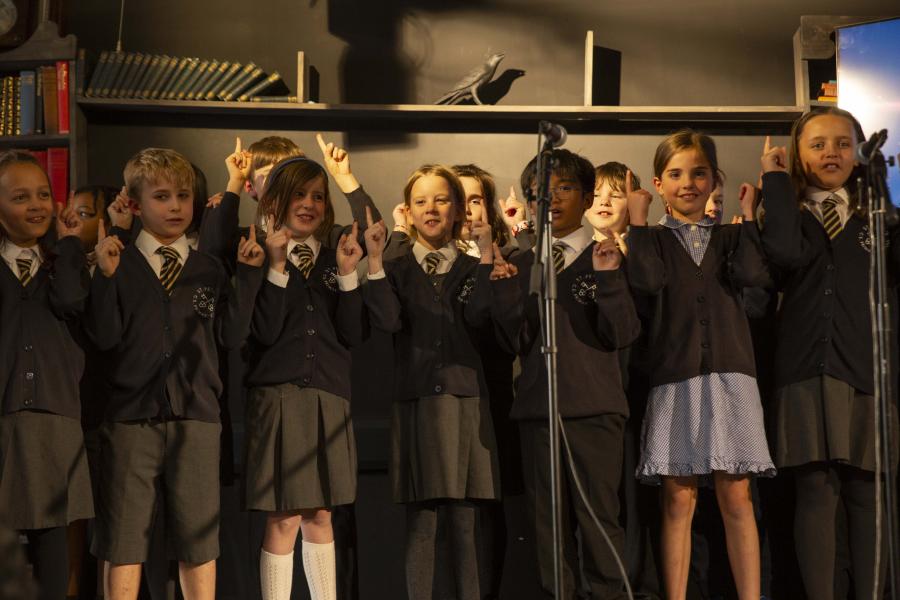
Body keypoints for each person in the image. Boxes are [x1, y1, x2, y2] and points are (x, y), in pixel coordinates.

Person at [87, 147, 264, 600]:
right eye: (161, 197)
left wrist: (246, 277)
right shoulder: (118, 260)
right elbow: (104, 337)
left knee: (198, 539)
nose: (175, 207)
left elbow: (230, 337)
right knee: (124, 539)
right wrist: (105, 278)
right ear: (134, 204)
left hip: (197, 417)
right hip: (131, 419)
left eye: (183, 196)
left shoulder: (208, 268)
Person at [626, 129, 774, 600]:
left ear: (715, 180)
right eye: (675, 174)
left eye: (698, 173)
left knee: (736, 495)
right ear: (659, 182)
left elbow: (755, 277)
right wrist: (636, 218)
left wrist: (749, 219)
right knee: (678, 498)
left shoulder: (731, 237)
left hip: (732, 378)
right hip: (675, 379)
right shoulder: (652, 239)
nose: (687, 182)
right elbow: (646, 282)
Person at [759, 107, 900, 600]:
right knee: (816, 490)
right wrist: (774, 182)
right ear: (797, 155)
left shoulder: (877, 216)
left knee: (867, 492)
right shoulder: (787, 213)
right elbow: (785, 254)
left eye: (843, 143)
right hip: (804, 372)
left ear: (860, 152)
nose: (830, 153)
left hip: (867, 374)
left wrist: (881, 193)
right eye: (817, 144)